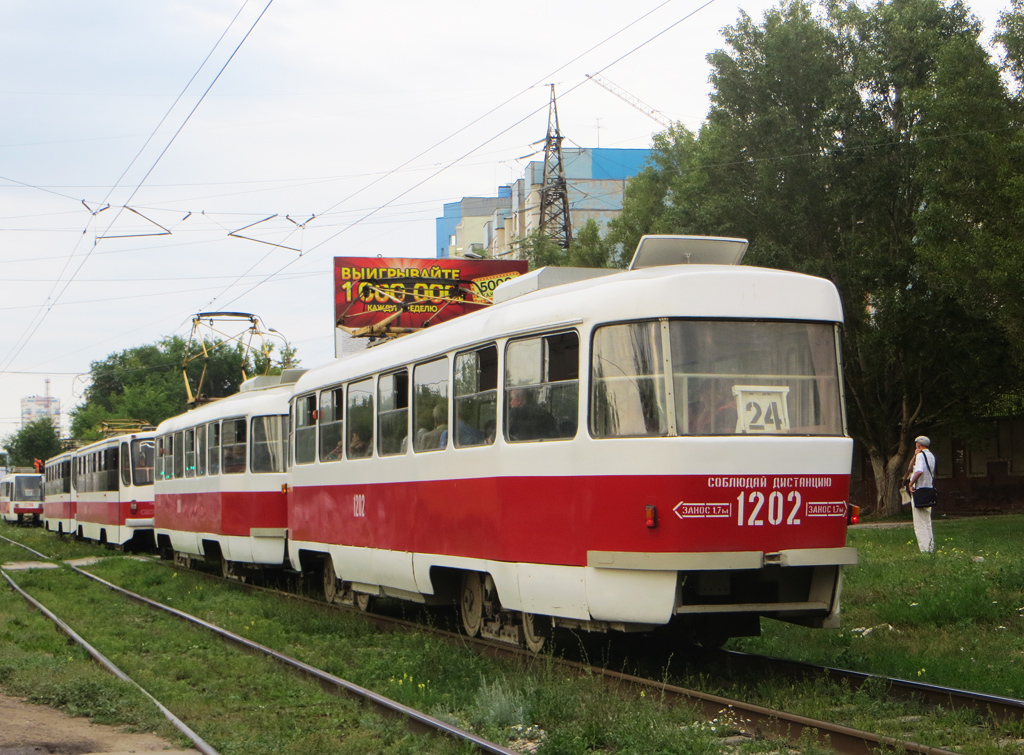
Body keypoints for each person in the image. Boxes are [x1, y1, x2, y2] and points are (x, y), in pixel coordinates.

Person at [908, 435, 937, 553]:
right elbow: (911, 467)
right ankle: (931, 546)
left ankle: (924, 549)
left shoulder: (920, 456)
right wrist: (915, 455)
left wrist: (911, 483)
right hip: (929, 490)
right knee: (927, 521)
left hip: (919, 491)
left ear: (919, 444)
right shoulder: (931, 456)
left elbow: (918, 471)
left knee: (919, 523)